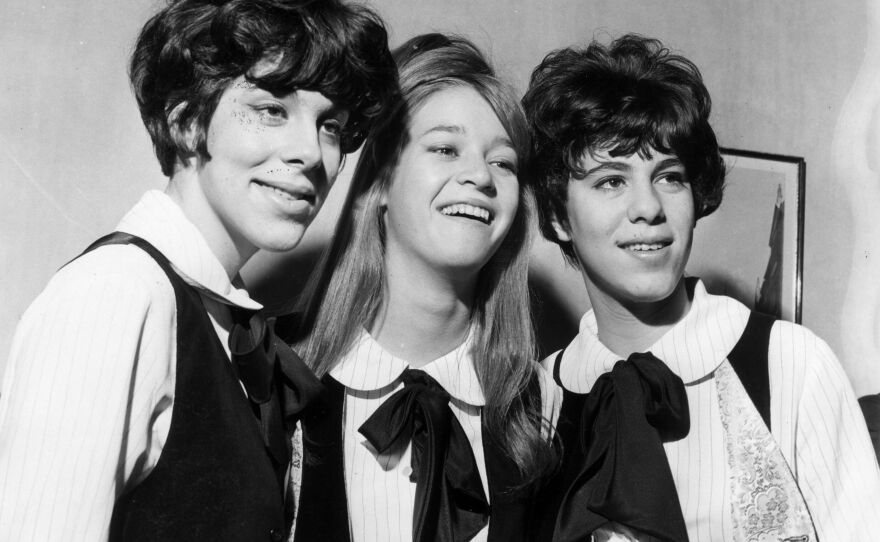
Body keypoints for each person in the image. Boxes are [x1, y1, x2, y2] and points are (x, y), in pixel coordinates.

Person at [0, 0, 397, 539]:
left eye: (330, 125)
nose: (312, 151)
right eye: (271, 109)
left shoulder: (216, 318)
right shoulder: (116, 295)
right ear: (185, 122)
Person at [522, 34, 880, 541]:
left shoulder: (790, 365)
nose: (648, 208)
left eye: (669, 176)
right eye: (610, 181)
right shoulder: (537, 403)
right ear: (558, 215)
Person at [289, 33, 558, 542]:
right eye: (445, 148)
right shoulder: (276, 380)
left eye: (503, 161)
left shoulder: (543, 404)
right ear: (382, 181)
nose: (479, 174)